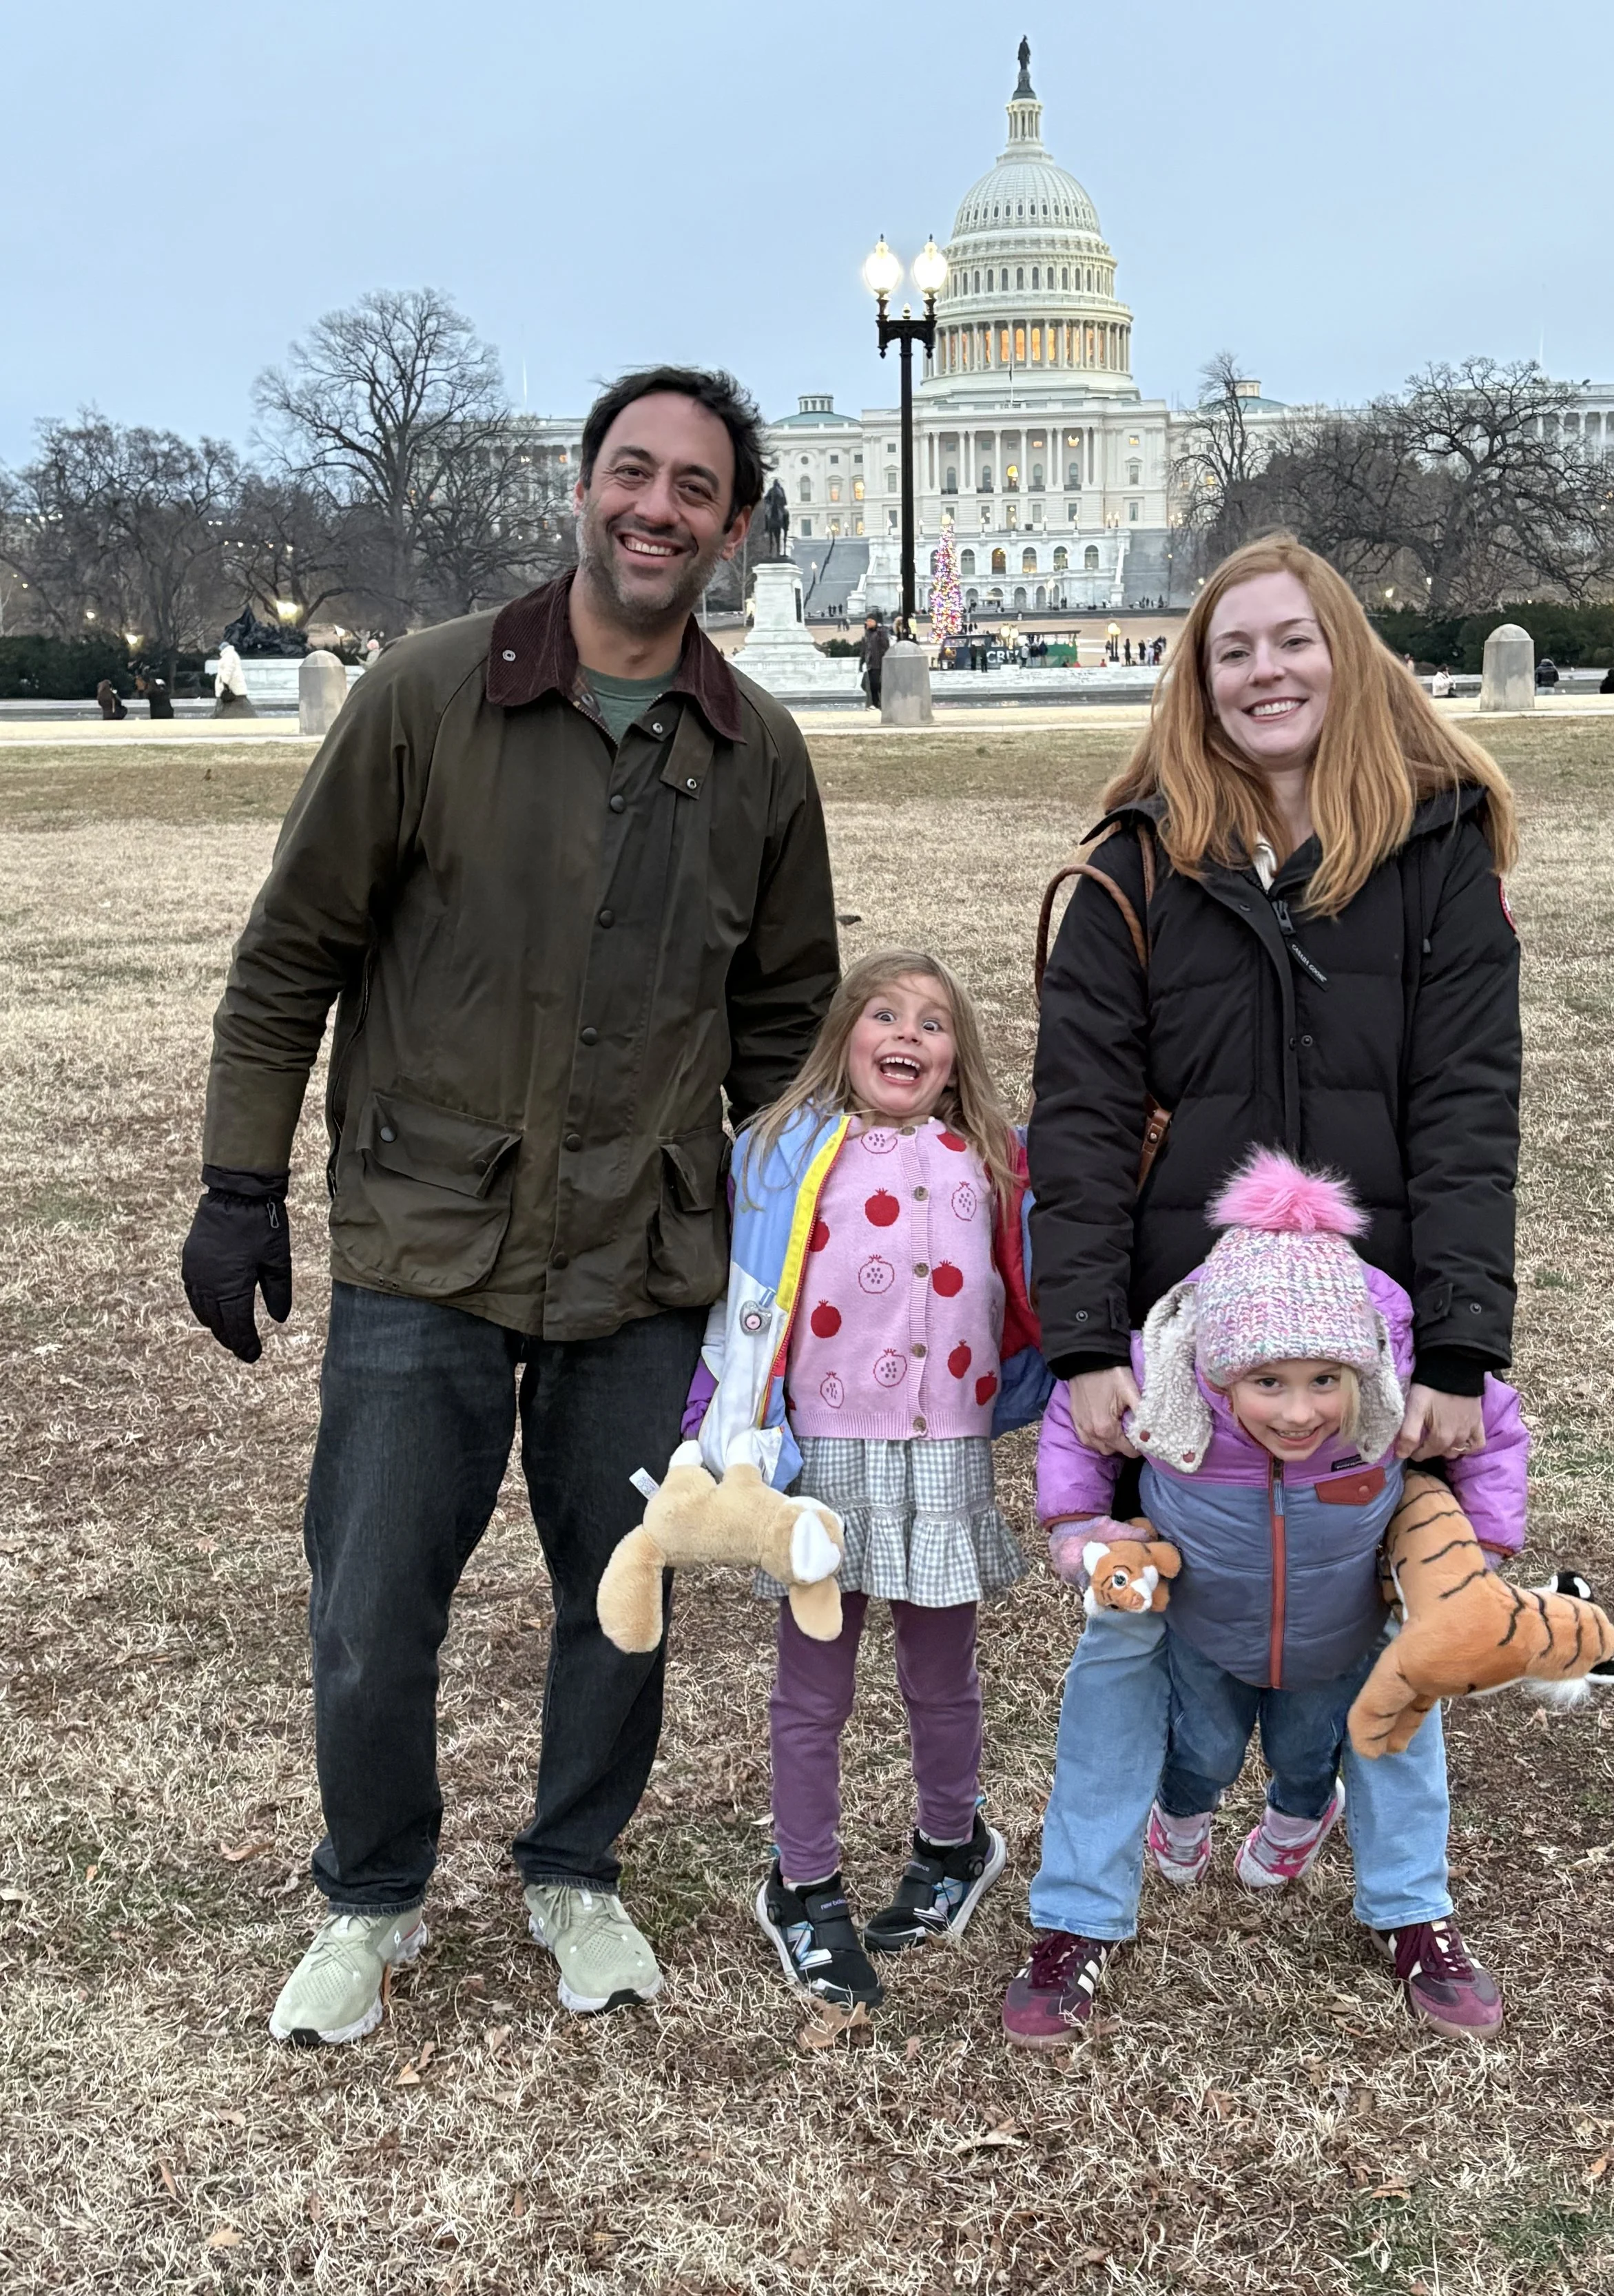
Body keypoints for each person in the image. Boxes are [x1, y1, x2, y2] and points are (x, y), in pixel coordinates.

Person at [180, 366, 840, 2047]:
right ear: (583, 486)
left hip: (644, 1246)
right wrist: (239, 1178)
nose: (658, 508)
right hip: (430, 1232)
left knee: (623, 1571)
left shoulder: (755, 752)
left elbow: (785, 1027)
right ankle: (371, 1891)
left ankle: (574, 1866)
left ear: (735, 527)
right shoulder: (425, 697)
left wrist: (787, 1275)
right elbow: (291, 960)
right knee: (377, 1583)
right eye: (634, 472)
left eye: (696, 487)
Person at [1006, 530, 1520, 2043]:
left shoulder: (1432, 853)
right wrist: (1087, 1339)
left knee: (1385, 1630)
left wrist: (1463, 1343)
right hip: (1185, 1338)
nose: (1265, 672)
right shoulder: (1130, 864)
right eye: (1233, 650)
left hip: (1369, 1336)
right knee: (1123, 1640)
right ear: (1198, 677)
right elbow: (1082, 1120)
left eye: (1291, 641)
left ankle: (1410, 1907)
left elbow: (1466, 1105)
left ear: (1340, 651)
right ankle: (1074, 1916)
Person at [1019, 1150, 1526, 2046]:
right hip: (1196, 1621)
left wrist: (1474, 1554)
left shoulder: (1393, 1378)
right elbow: (1076, 1420)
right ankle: (1074, 1922)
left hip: (1350, 1617)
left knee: (1408, 1690)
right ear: (1217, 1372)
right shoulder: (1169, 1382)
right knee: (1141, 1697)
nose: (1299, 1414)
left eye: (1323, 1382)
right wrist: (1081, 1526)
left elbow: (1491, 1425)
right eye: (1269, 1384)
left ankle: (1415, 1914)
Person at [684, 951, 1043, 2009]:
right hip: (825, 1456)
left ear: (956, 1058)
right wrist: (723, 1427)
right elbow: (742, 1297)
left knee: (944, 1675)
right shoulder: (783, 1154)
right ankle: (804, 1885)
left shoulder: (992, 1158)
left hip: (946, 1452)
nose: (909, 1035)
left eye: (935, 1023)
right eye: (885, 1014)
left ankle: (952, 1843)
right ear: (844, 1035)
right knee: (815, 1685)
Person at [211, 643, 256, 717]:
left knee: (226, 702)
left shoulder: (228, 655)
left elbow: (228, 670)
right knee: (239, 703)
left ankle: (217, 717)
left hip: (231, 685)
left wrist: (224, 682)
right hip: (234, 685)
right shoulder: (231, 654)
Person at [860, 614, 889, 709]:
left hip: (879, 662)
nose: (867, 623)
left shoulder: (881, 632)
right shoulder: (867, 634)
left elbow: (885, 646)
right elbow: (865, 649)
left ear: (875, 622)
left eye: (870, 621)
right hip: (871, 663)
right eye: (867, 621)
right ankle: (875, 703)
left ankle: (881, 703)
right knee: (872, 684)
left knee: (878, 683)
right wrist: (862, 662)